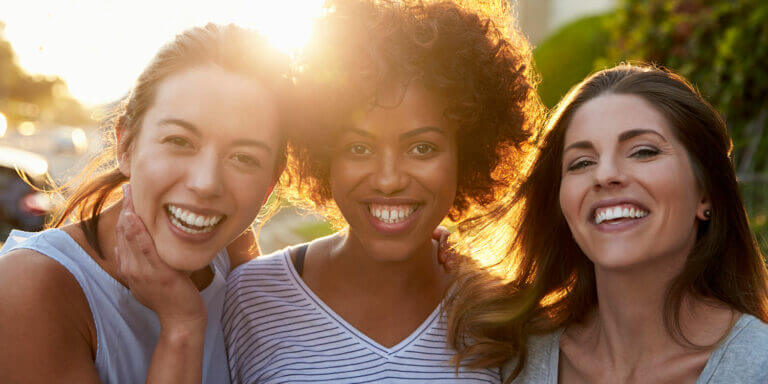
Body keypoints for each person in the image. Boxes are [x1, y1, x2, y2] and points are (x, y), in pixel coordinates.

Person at [222, 0, 542, 382]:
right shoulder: (251, 297)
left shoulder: (497, 310)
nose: (389, 179)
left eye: (421, 148)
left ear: (467, 154)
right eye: (360, 148)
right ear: (324, 157)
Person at [0, 24, 290, 383]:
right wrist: (181, 327)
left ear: (269, 186)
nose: (205, 183)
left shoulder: (231, 250)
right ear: (125, 146)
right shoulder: (29, 289)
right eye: (179, 140)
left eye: (243, 158)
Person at [445, 64, 768, 383]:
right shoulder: (508, 358)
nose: (605, 175)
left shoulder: (758, 367)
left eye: (642, 152)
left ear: (706, 193)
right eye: (582, 162)